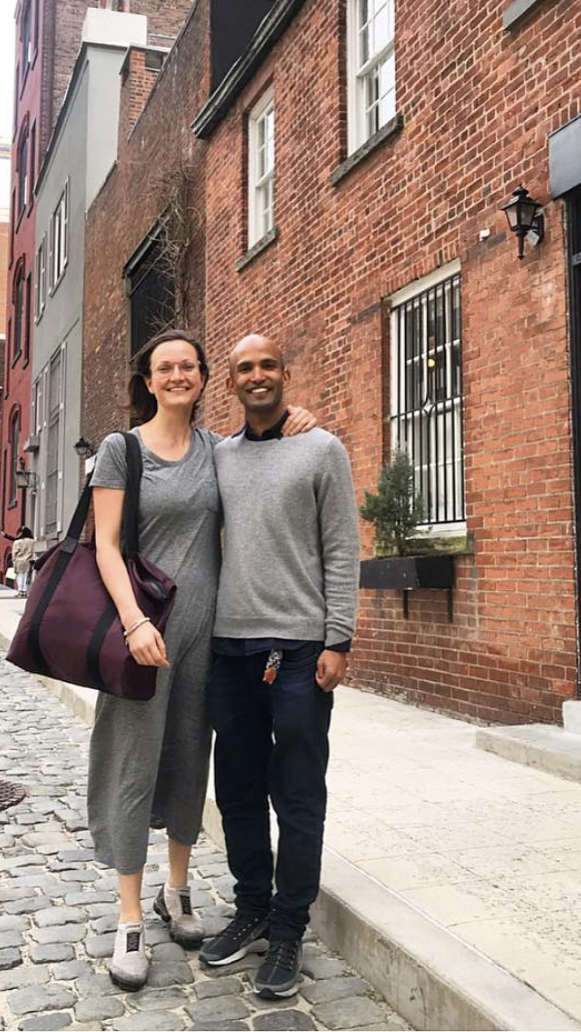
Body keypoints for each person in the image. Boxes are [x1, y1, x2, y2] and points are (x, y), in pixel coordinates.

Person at [87, 329, 315, 992]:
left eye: (188, 365)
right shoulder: (122, 449)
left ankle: (177, 890)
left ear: (203, 377)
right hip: (143, 636)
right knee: (132, 765)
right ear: (149, 381)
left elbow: (266, 448)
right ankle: (130, 918)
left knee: (191, 761)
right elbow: (105, 546)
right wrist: (133, 621)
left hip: (206, 637)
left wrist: (298, 419)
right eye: (165, 367)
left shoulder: (218, 450)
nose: (178, 375)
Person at [200, 334, 360, 1001]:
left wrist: (338, 638)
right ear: (231, 383)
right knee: (236, 790)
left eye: (268, 365)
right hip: (229, 648)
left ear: (285, 374)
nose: (258, 375)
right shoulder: (219, 457)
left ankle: (291, 926)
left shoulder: (322, 449)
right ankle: (253, 908)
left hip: (298, 649)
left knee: (296, 792)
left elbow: (342, 546)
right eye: (245, 368)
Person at [11, 527, 35, 598]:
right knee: (26, 576)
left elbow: (14, 553)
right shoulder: (32, 541)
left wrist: (13, 561)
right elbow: (34, 551)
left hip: (19, 561)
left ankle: (20, 591)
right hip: (28, 561)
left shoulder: (17, 542)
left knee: (19, 576)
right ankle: (25, 591)